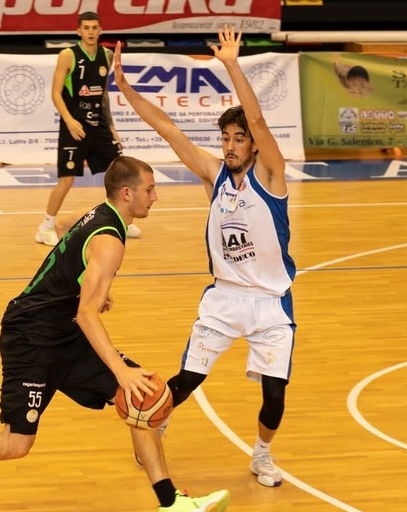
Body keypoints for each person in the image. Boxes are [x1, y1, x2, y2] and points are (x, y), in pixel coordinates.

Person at [0, 156, 230, 512]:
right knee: (16, 443)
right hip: (31, 336)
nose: (156, 197)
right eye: (150, 190)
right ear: (127, 193)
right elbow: (86, 315)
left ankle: (170, 502)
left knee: (143, 396)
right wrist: (119, 366)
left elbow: (64, 230)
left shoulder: (99, 214)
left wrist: (86, 284)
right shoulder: (111, 241)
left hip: (63, 331)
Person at [113, 26, 295, 488]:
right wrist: (126, 88)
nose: (231, 145)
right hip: (225, 297)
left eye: (239, 138)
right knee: (186, 380)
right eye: (226, 138)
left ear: (252, 144)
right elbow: (167, 128)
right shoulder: (214, 177)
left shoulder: (271, 175)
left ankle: (262, 455)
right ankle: (158, 419)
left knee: (275, 394)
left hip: (271, 301)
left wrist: (232, 65)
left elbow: (260, 122)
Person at [35, 11, 141, 247]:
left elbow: (103, 95)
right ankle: (46, 226)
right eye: (86, 28)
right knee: (67, 179)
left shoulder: (107, 55)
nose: (91, 32)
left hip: (98, 125)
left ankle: (123, 220)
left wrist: (112, 128)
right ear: (79, 31)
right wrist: (69, 120)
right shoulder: (67, 55)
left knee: (120, 171)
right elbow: (55, 93)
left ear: (100, 30)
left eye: (95, 27)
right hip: (74, 126)